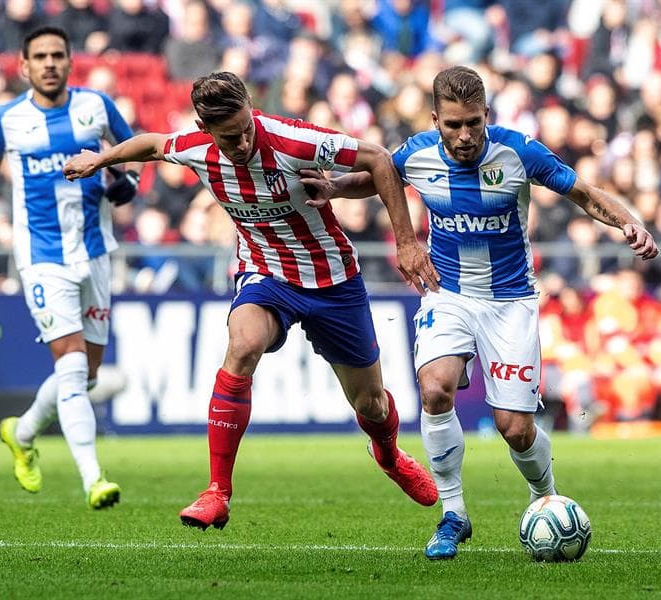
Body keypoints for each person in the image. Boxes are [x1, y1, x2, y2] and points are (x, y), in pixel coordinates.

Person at [300, 66, 658, 559]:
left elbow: (582, 194)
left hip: (510, 302)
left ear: (486, 114)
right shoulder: (418, 152)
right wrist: (337, 188)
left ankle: (543, 496)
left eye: (473, 122)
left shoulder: (519, 152)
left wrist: (628, 223)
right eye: (453, 125)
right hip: (446, 294)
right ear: (435, 120)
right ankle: (454, 514)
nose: (464, 135)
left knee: (515, 427)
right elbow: (378, 176)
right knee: (434, 389)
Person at [63, 71, 441, 530]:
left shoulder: (292, 140)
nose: (242, 142)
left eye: (246, 129)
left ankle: (388, 454)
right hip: (265, 273)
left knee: (372, 406)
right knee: (242, 346)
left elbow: (380, 159)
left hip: (332, 279)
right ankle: (216, 492)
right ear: (206, 130)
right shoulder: (197, 149)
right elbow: (151, 143)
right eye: (229, 137)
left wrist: (405, 242)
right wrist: (101, 159)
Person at [0, 26, 139, 508]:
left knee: (88, 374)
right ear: (24, 66)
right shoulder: (6, 117)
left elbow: (135, 148)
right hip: (41, 258)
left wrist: (130, 181)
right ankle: (93, 478)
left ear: (69, 60)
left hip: (96, 251)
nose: (50, 63)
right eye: (40, 56)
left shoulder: (96, 107)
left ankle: (21, 432)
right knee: (74, 366)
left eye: (58, 54)